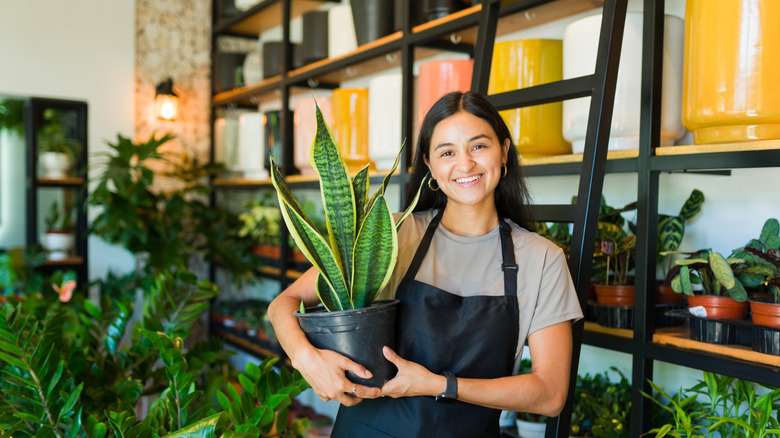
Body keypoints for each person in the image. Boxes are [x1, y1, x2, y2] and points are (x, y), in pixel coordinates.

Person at [267, 91, 583, 437]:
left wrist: (438, 384)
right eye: (447, 152)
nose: (465, 164)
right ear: (430, 166)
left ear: (504, 151)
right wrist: (306, 359)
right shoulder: (395, 236)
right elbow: (284, 303)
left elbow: (550, 394)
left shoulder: (542, 259)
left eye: (479, 146)